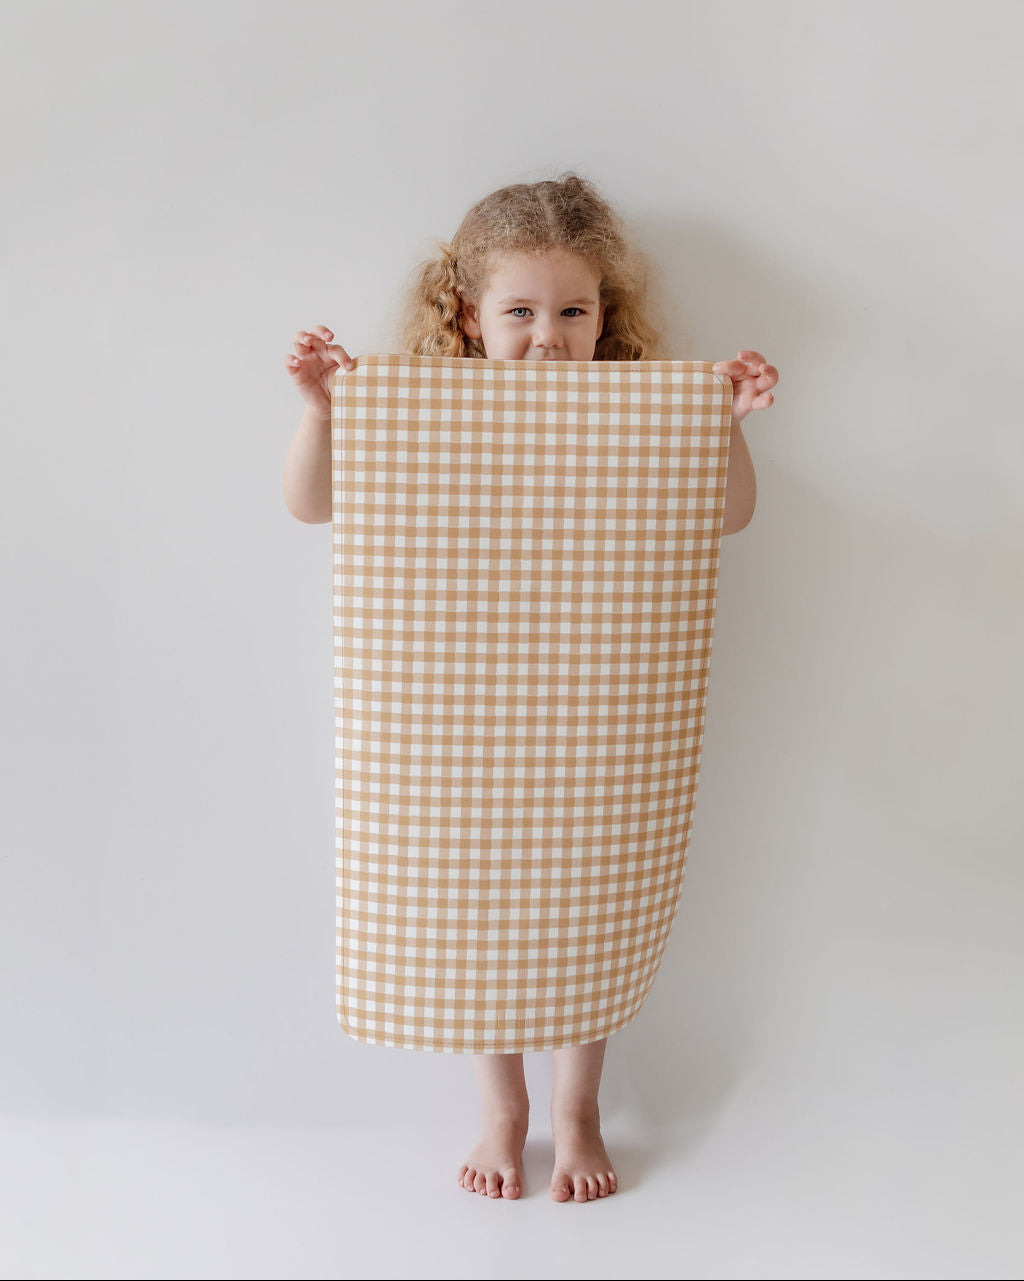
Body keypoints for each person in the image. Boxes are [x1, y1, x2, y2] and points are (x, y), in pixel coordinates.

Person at [282, 174, 779, 1203]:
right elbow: (310, 503)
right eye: (519, 312)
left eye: (572, 312)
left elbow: (728, 514)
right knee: (471, 902)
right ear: (468, 315)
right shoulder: (420, 408)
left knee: (588, 895)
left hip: (599, 716)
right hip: (451, 721)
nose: (548, 338)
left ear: (605, 317)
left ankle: (576, 1108)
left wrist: (722, 420)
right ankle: (503, 1109)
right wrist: (323, 412)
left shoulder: (633, 411)